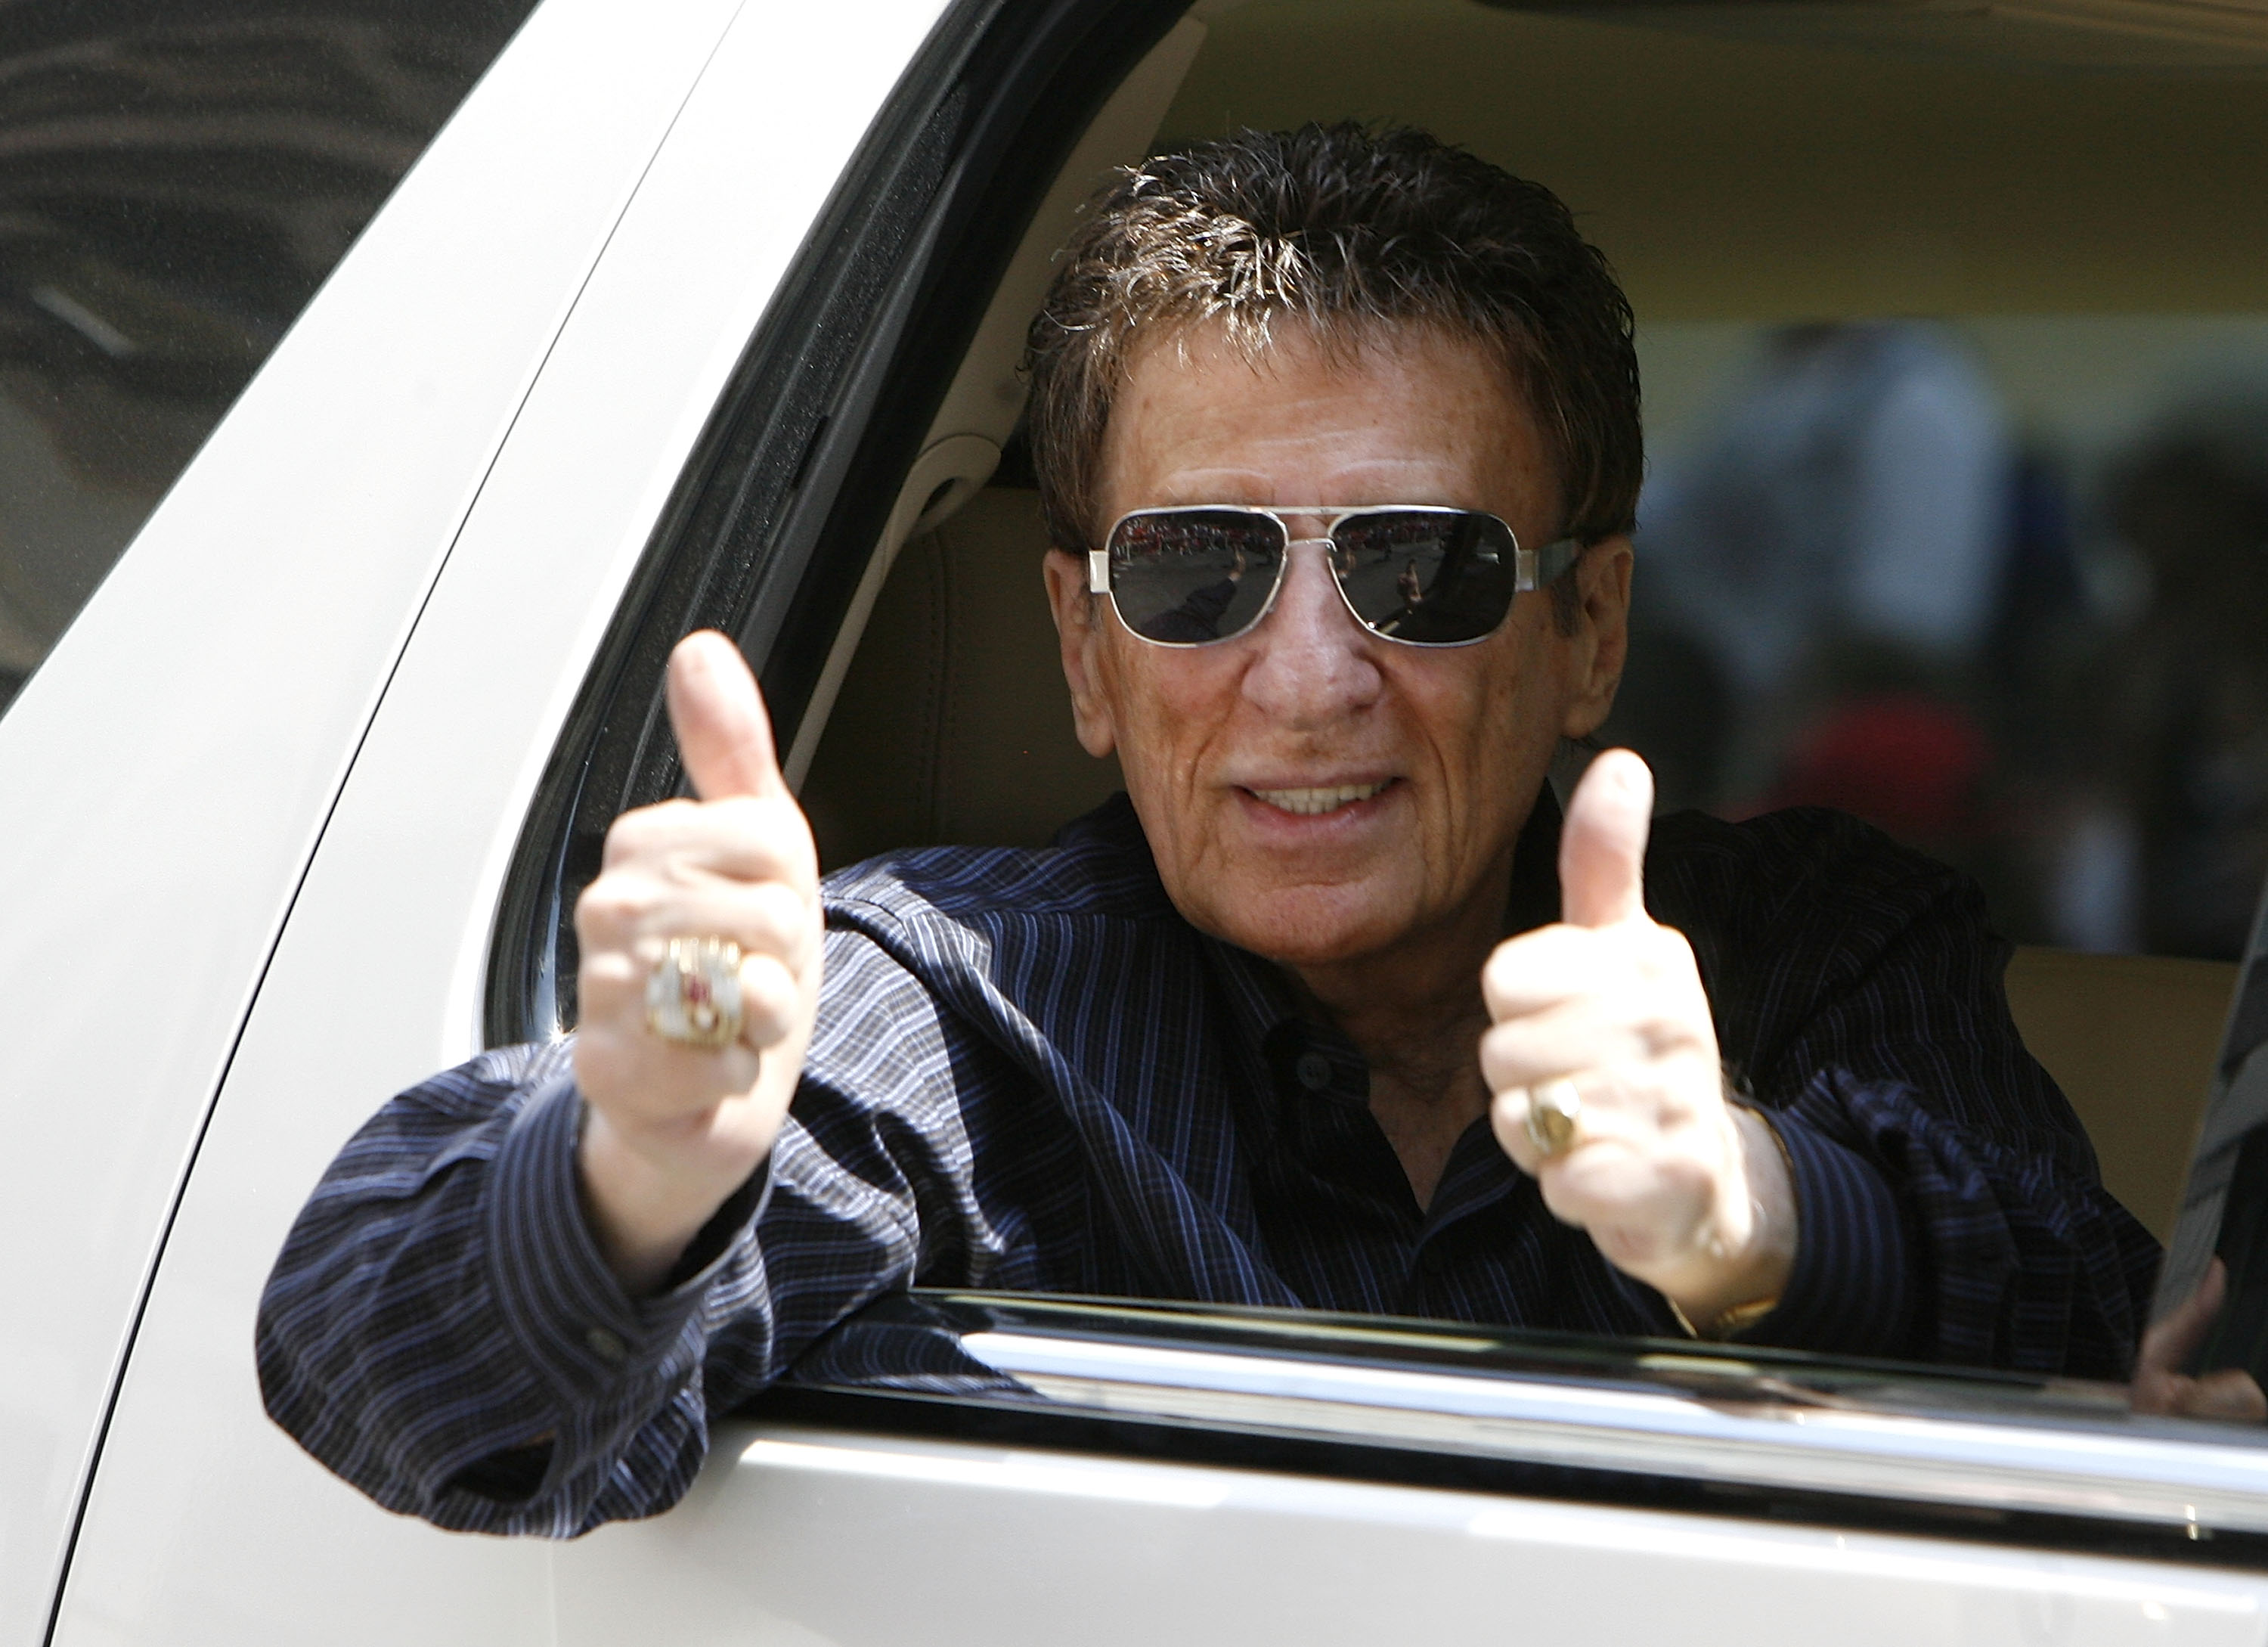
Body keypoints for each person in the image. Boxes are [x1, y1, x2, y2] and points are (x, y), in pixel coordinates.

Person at [256, 125, 2205, 1540]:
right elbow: (376, 1353)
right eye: (1196, 571)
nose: (1306, 682)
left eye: (1421, 568)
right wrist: (637, 1165)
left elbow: (2119, 1361)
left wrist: (1739, 1213)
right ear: (1085, 654)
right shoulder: (953, 1002)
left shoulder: (1811, 947)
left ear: (1589, 627)